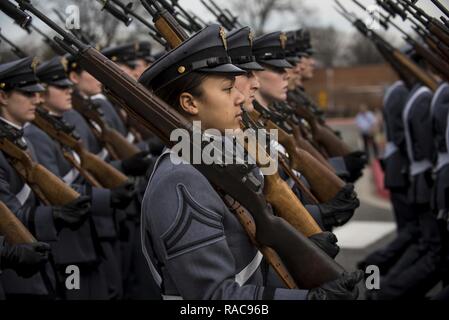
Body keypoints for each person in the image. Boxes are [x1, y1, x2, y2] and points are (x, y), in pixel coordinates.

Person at [138, 24, 363, 300]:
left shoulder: (209, 161)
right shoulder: (180, 179)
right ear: (189, 103)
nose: (242, 97)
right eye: (227, 89)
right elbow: (212, 299)